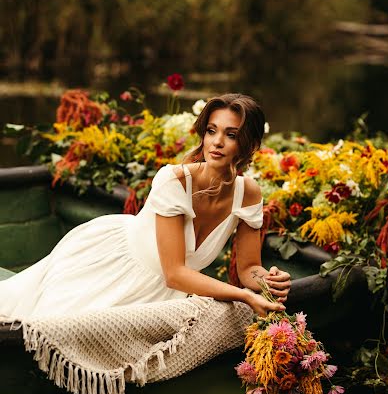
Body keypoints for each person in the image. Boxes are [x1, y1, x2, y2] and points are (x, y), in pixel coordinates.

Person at [0, 93, 290, 323]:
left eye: (231, 134)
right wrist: (243, 296)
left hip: (167, 295)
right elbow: (175, 273)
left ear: (249, 143)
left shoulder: (248, 193)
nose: (216, 142)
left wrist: (268, 280)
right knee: (41, 323)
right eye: (211, 130)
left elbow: (248, 268)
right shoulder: (173, 180)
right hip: (114, 268)